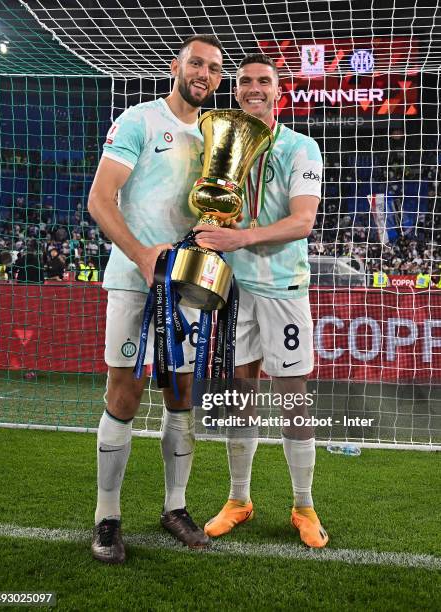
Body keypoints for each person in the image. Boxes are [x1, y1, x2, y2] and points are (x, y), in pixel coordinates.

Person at [87, 34, 223, 563]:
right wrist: (144, 256)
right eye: (196, 63)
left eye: (213, 68)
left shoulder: (218, 136)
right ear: (176, 66)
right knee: (124, 390)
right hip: (132, 275)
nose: (204, 74)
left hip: (188, 282)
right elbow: (100, 200)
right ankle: (106, 517)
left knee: (182, 390)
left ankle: (175, 506)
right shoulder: (139, 120)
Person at [195, 53, 328, 548]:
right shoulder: (220, 148)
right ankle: (239, 499)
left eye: (264, 81)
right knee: (240, 397)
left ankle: (303, 505)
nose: (254, 87)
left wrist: (239, 238)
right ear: (236, 92)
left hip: (283, 291)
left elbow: (301, 223)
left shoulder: (301, 147)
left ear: (278, 92)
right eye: (246, 80)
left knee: (293, 398)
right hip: (233, 290)